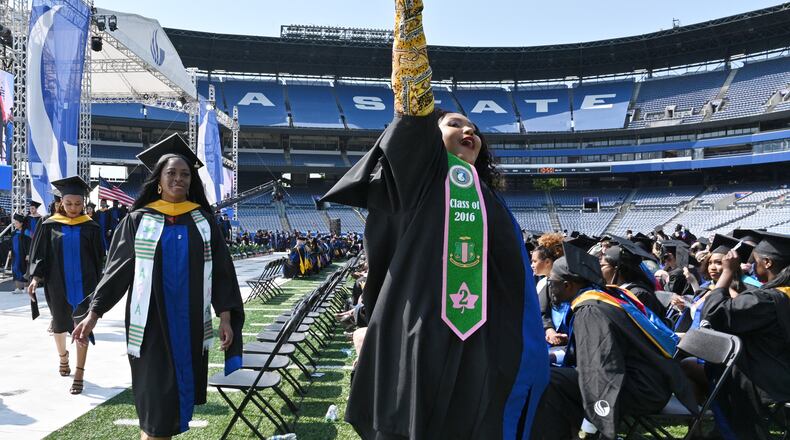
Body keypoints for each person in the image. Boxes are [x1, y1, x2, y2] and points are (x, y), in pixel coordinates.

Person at [320, 1, 548, 437]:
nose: (471, 132)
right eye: (455, 124)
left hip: (484, 343)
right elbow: (412, 101)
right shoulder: (423, 178)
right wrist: (409, 14)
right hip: (423, 333)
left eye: (475, 129)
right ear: (429, 137)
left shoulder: (489, 200)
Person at [72, 134, 245, 439]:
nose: (179, 178)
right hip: (150, 324)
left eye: (185, 174)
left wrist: (227, 317)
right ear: (159, 181)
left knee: (174, 407)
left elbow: (222, 272)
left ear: (192, 181)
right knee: (154, 408)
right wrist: (93, 313)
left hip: (190, 323)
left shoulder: (202, 220)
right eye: (171, 173)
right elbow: (117, 271)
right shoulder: (138, 220)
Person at [531, 243, 696, 440]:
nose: (550, 289)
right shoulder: (603, 297)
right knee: (554, 375)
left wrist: (596, 420)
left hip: (641, 390)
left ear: (568, 285)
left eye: (552, 282)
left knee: (548, 381)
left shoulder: (590, 311)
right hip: (650, 381)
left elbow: (601, 368)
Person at [701, 231, 790, 440]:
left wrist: (727, 273)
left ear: (767, 262)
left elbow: (714, 315)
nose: (751, 266)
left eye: (756, 261)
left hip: (770, 381)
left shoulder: (767, 301)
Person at [26, 176, 104, 394]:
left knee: (82, 328)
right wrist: (35, 278)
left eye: (78, 204)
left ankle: (79, 372)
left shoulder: (91, 227)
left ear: (84, 203)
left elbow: (99, 259)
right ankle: (63, 357)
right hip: (57, 283)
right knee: (59, 324)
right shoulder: (49, 225)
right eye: (68, 203)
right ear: (60, 203)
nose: (73, 208)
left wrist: (100, 286)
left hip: (85, 285)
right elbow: (40, 255)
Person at [531, 232, 567, 346]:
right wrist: (549, 330)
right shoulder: (542, 283)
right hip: (550, 338)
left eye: (535, 261)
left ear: (547, 262)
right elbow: (542, 313)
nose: (532, 265)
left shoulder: (567, 284)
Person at [9, 213, 30, 294]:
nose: (15, 224)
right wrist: (10, 251)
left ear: (21, 223)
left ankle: (26, 287)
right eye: (14, 223)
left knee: (24, 270)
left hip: (23, 255)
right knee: (16, 270)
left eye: (16, 223)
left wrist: (28, 254)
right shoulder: (14, 233)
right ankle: (18, 288)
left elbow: (29, 244)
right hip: (15, 255)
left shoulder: (26, 232)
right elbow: (11, 244)